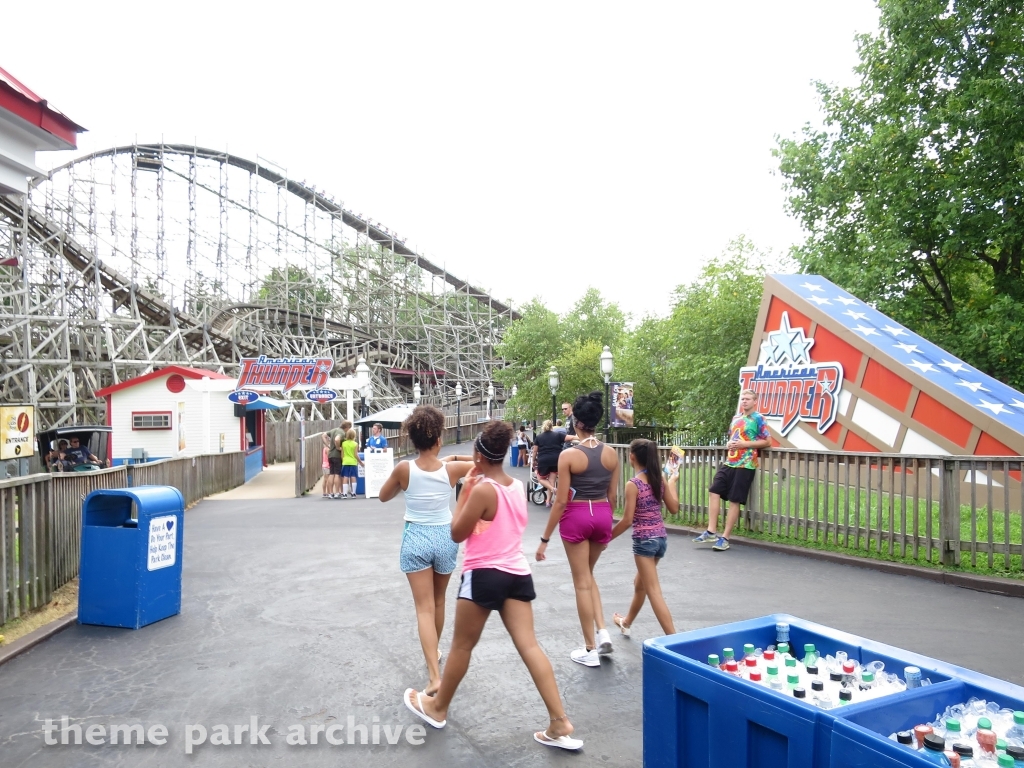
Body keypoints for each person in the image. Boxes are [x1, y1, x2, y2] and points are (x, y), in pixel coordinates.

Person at [402, 420, 582, 751]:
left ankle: (437, 706)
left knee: (461, 647)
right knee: (530, 646)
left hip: (483, 575)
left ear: (479, 456)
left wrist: (467, 491)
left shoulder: (483, 489)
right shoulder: (515, 486)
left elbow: (456, 532)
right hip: (517, 574)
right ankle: (559, 722)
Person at [378, 406, 475, 696]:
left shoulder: (404, 469)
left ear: (412, 439)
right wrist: (453, 459)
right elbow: (480, 464)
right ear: (438, 439)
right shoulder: (452, 470)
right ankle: (436, 651)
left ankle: (434, 673)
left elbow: (384, 496)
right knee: (439, 601)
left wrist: (403, 484)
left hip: (416, 537)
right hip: (445, 537)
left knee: (423, 608)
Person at [536, 391, 619, 667]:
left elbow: (560, 501)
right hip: (603, 515)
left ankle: (590, 648)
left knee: (581, 582)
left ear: (576, 422)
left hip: (577, 515)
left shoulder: (569, 455)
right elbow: (613, 497)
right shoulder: (611, 454)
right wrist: (608, 526)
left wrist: (545, 538)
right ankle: (603, 630)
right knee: (589, 576)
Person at [610, 439, 679, 637]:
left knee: (653, 591)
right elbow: (674, 508)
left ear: (631, 457)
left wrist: (606, 538)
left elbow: (626, 520)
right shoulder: (660, 480)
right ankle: (626, 622)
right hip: (660, 540)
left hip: (644, 542)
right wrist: (672, 483)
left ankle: (674, 640)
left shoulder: (634, 484)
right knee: (639, 584)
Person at [693, 389, 770, 552]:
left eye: (748, 399)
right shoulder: (736, 418)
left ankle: (725, 538)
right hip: (730, 461)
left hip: (746, 464)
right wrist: (730, 443)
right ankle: (711, 531)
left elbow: (767, 441)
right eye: (743, 399)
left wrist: (745, 445)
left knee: (735, 499)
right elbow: (733, 437)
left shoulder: (759, 419)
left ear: (755, 401)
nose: (744, 401)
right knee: (714, 491)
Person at [531, 420, 574, 506]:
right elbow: (570, 437)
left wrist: (533, 460)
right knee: (552, 480)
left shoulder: (539, 437)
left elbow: (535, 450)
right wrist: (582, 437)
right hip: (556, 460)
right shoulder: (557, 435)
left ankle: (553, 489)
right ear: (552, 427)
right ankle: (548, 501)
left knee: (540, 479)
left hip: (544, 460)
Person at [340, 428, 364, 498]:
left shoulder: (344, 443)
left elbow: (342, 455)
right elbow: (356, 454)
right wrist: (360, 462)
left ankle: (344, 493)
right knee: (353, 477)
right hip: (353, 462)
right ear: (354, 435)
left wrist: (343, 460)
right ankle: (353, 493)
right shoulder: (355, 444)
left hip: (345, 461)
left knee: (345, 477)